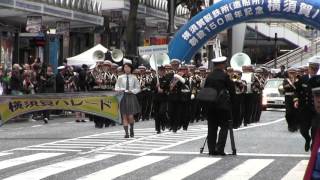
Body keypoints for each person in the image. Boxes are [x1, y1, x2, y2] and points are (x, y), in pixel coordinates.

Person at [204, 57, 235, 156]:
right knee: (224, 127)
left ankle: (211, 150)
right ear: (221, 65)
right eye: (224, 64)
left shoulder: (209, 76)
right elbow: (232, 90)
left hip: (210, 106)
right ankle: (220, 149)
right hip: (222, 106)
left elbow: (205, 90)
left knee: (212, 128)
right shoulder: (225, 76)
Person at [294, 56, 320, 151]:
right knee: (303, 130)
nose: (314, 71)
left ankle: (313, 146)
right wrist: (296, 100)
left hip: (316, 109)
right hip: (305, 108)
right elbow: (296, 91)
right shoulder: (303, 79)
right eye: (312, 68)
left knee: (315, 128)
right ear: (309, 68)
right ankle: (307, 139)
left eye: (316, 69)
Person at [115, 60, 141, 138]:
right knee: (124, 116)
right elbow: (116, 87)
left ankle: (132, 129)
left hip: (131, 96)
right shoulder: (120, 77)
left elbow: (138, 88)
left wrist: (132, 91)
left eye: (128, 67)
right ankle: (126, 133)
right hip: (122, 96)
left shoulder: (134, 77)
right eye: (125, 67)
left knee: (130, 116)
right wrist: (119, 90)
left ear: (131, 68)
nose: (126, 69)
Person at [151, 66, 169, 134]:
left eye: (162, 71)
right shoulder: (154, 79)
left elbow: (168, 89)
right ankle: (158, 128)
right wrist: (156, 87)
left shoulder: (166, 79)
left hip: (163, 98)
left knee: (162, 112)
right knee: (157, 114)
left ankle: (164, 123)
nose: (161, 72)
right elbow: (151, 88)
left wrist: (163, 90)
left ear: (164, 71)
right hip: (156, 98)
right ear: (158, 71)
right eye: (160, 71)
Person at [283, 67, 299, 132]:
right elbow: (285, 87)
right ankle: (290, 124)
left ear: (296, 73)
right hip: (288, 97)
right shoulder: (286, 80)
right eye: (290, 73)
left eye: (293, 73)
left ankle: (295, 125)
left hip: (296, 97)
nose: (292, 74)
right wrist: (292, 83)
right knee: (288, 112)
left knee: (295, 112)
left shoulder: (298, 80)